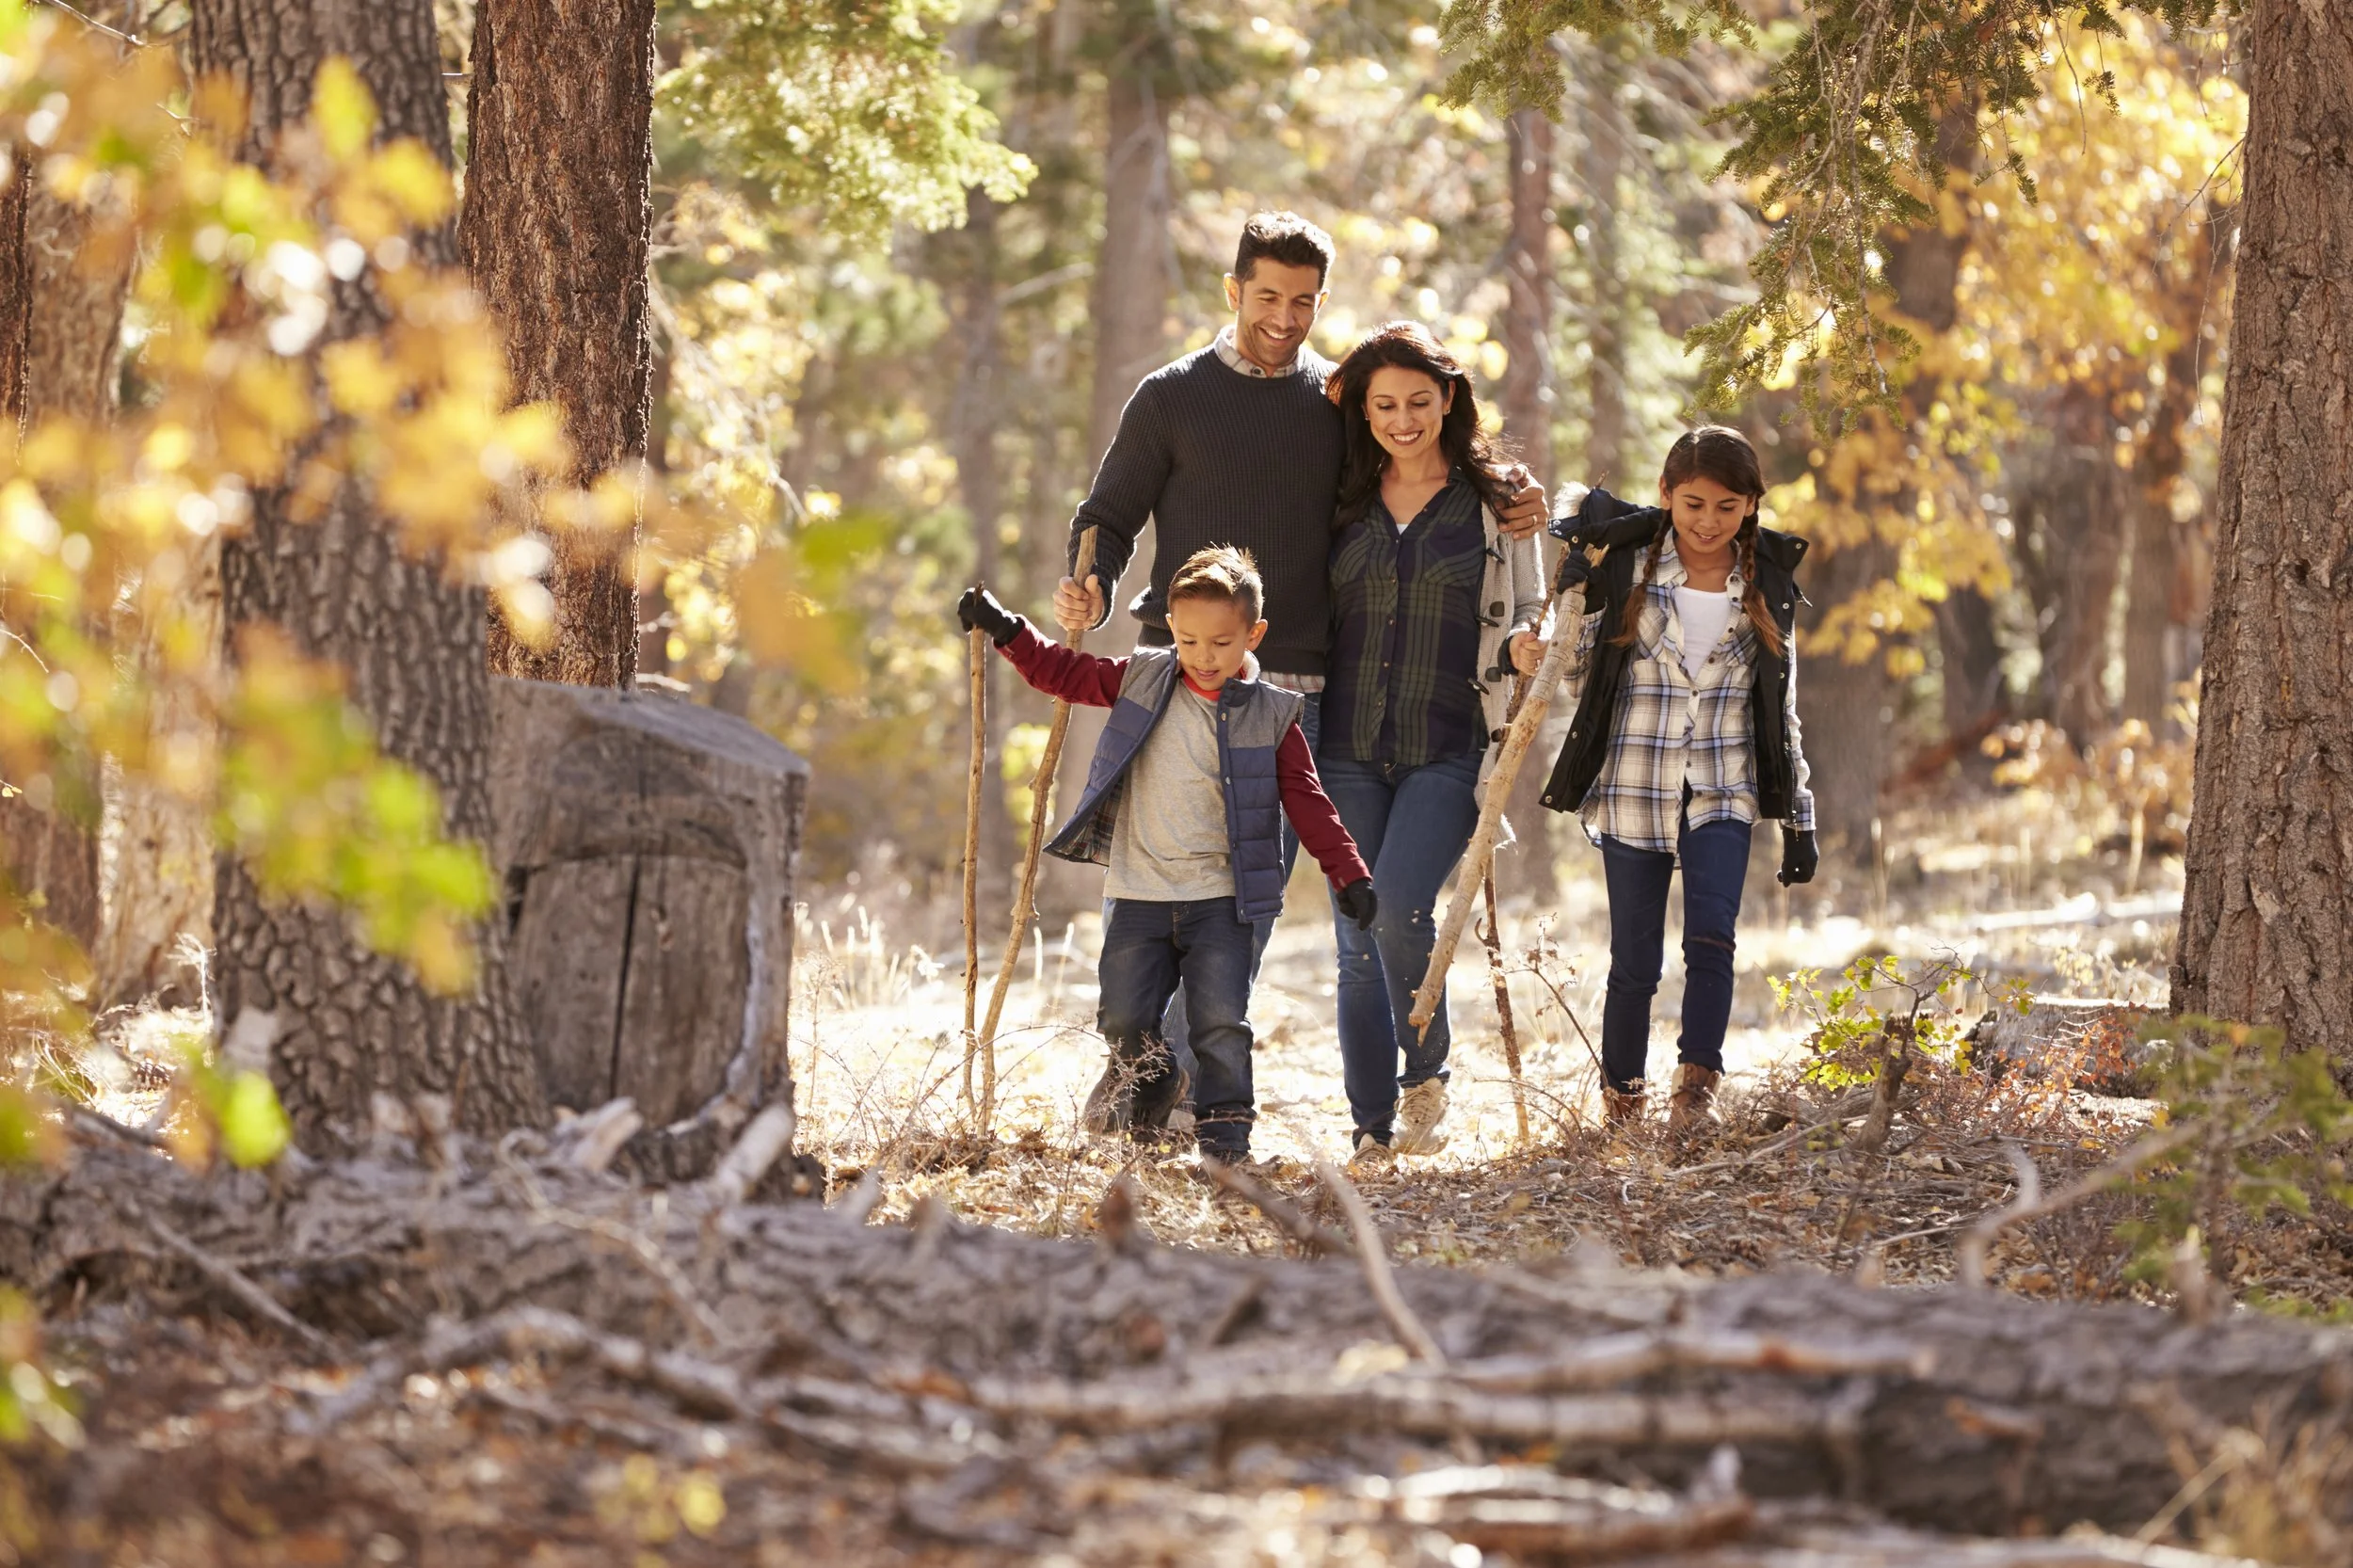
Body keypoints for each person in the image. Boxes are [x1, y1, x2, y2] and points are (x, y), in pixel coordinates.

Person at [1048, 211, 1549, 1136]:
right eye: (1268, 296)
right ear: (1233, 290)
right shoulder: (1170, 395)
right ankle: (1137, 1060)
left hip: (1296, 695)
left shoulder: (1335, 404)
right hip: (1176, 679)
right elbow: (1108, 516)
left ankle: (1160, 1083)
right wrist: (1088, 580)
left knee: (1249, 895)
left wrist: (1516, 496)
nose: (1285, 317)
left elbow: (1425, 465)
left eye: (1304, 302)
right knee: (1158, 887)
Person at [959, 548, 1377, 1167]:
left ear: (1253, 635)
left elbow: (1308, 800)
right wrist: (1006, 629)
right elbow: (1065, 674)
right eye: (1188, 640)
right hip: (1138, 895)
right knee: (1122, 1017)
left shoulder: (1272, 714)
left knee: (1219, 1025)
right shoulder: (1144, 678)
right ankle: (1153, 1078)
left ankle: (1226, 1144)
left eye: (1221, 642)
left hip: (1222, 901)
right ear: (1170, 631)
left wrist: (1348, 871)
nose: (1204, 657)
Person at [1536, 425, 1818, 1136]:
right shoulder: (1628, 568)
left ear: (1752, 506)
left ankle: (1696, 1090)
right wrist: (1576, 605)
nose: (1708, 521)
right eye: (1693, 503)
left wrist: (1799, 818)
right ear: (1665, 496)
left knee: (1713, 940)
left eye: (1728, 507)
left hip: (1724, 787)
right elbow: (1575, 681)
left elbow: (1781, 708)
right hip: (1634, 787)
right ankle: (1622, 1103)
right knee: (1634, 959)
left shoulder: (1766, 585)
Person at [1317, 323, 1548, 1167]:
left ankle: (1425, 1071)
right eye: (1385, 404)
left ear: (1449, 399)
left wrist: (1529, 641)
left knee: (1401, 907)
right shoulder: (1339, 493)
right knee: (1354, 938)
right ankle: (1371, 1127)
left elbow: (1534, 604)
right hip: (1343, 746)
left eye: (1419, 400)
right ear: (1366, 412)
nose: (1403, 418)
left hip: (1450, 745)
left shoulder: (1497, 503)